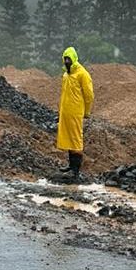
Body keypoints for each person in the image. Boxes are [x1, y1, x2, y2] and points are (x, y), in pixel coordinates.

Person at [56, 46, 94, 181]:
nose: (67, 61)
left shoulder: (82, 74)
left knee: (76, 139)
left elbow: (89, 95)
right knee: (68, 138)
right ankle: (71, 165)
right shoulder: (66, 75)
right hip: (66, 112)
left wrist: (87, 111)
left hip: (76, 112)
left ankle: (76, 170)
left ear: (74, 58)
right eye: (65, 59)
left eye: (69, 59)